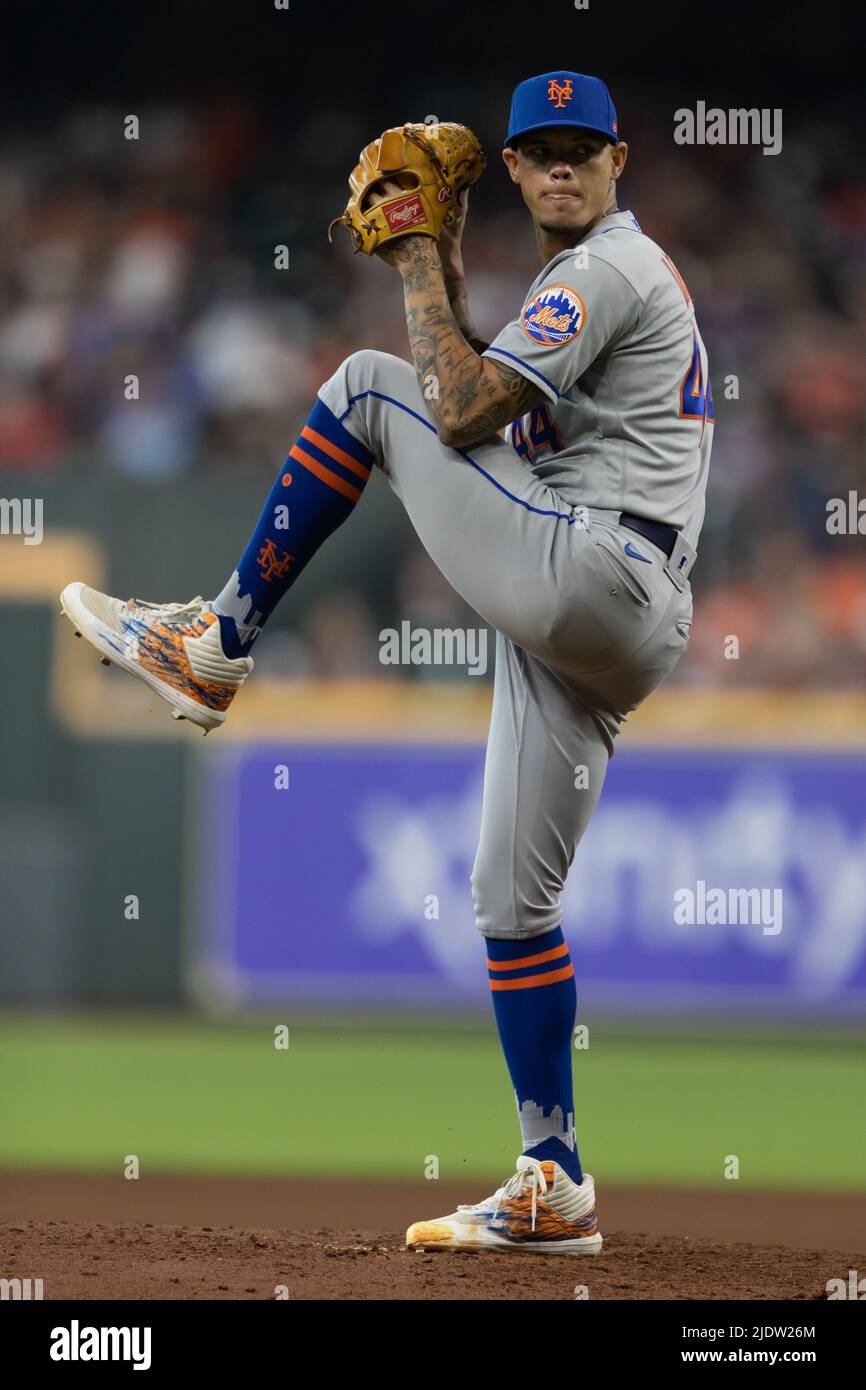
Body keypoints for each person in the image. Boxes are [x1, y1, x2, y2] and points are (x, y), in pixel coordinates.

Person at [61, 70, 713, 1256]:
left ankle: (214, 643)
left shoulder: (603, 267)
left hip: (594, 570)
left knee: (366, 384)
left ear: (620, 160)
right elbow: (476, 390)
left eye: (581, 147)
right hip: (601, 606)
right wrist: (444, 251)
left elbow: (445, 409)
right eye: (540, 149)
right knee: (509, 901)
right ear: (512, 168)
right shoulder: (576, 283)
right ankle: (550, 1176)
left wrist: (413, 251)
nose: (561, 164)